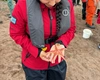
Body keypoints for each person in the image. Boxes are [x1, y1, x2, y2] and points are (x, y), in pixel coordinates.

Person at [9, 0, 76, 80]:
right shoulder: (23, 4)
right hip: (33, 63)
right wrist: (36, 51)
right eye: (48, 0)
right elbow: (16, 33)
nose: (53, 3)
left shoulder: (67, 2)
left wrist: (61, 43)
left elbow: (71, 29)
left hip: (57, 60)